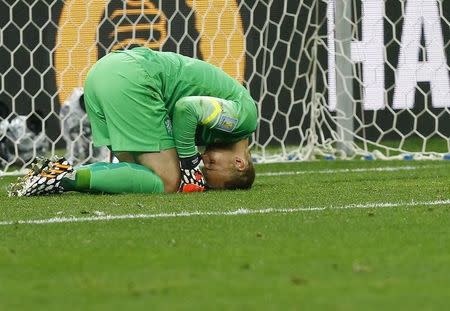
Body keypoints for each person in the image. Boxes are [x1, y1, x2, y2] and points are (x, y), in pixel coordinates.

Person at [9, 47, 257, 197]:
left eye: (204, 167)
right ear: (239, 162)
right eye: (211, 163)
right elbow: (186, 108)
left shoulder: (218, 134)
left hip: (102, 74)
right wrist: (190, 162)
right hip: (133, 79)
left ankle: (58, 174)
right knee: (170, 181)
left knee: (143, 177)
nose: (204, 160)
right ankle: (64, 179)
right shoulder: (244, 119)